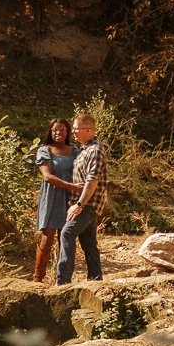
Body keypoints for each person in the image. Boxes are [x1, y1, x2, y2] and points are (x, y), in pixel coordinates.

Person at [56, 112, 107, 284]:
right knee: (89, 244)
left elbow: (92, 181)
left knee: (67, 233)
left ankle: (62, 283)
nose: (73, 132)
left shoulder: (96, 150)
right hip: (84, 203)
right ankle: (96, 281)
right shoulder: (84, 150)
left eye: (76, 129)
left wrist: (79, 204)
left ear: (88, 130)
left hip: (88, 204)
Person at [31, 118, 80, 283]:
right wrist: (73, 186)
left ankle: (60, 278)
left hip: (71, 199)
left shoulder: (75, 150)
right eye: (55, 130)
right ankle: (38, 279)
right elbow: (47, 176)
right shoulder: (45, 150)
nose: (58, 133)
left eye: (62, 129)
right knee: (47, 239)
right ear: (50, 132)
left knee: (64, 239)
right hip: (52, 197)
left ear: (67, 132)